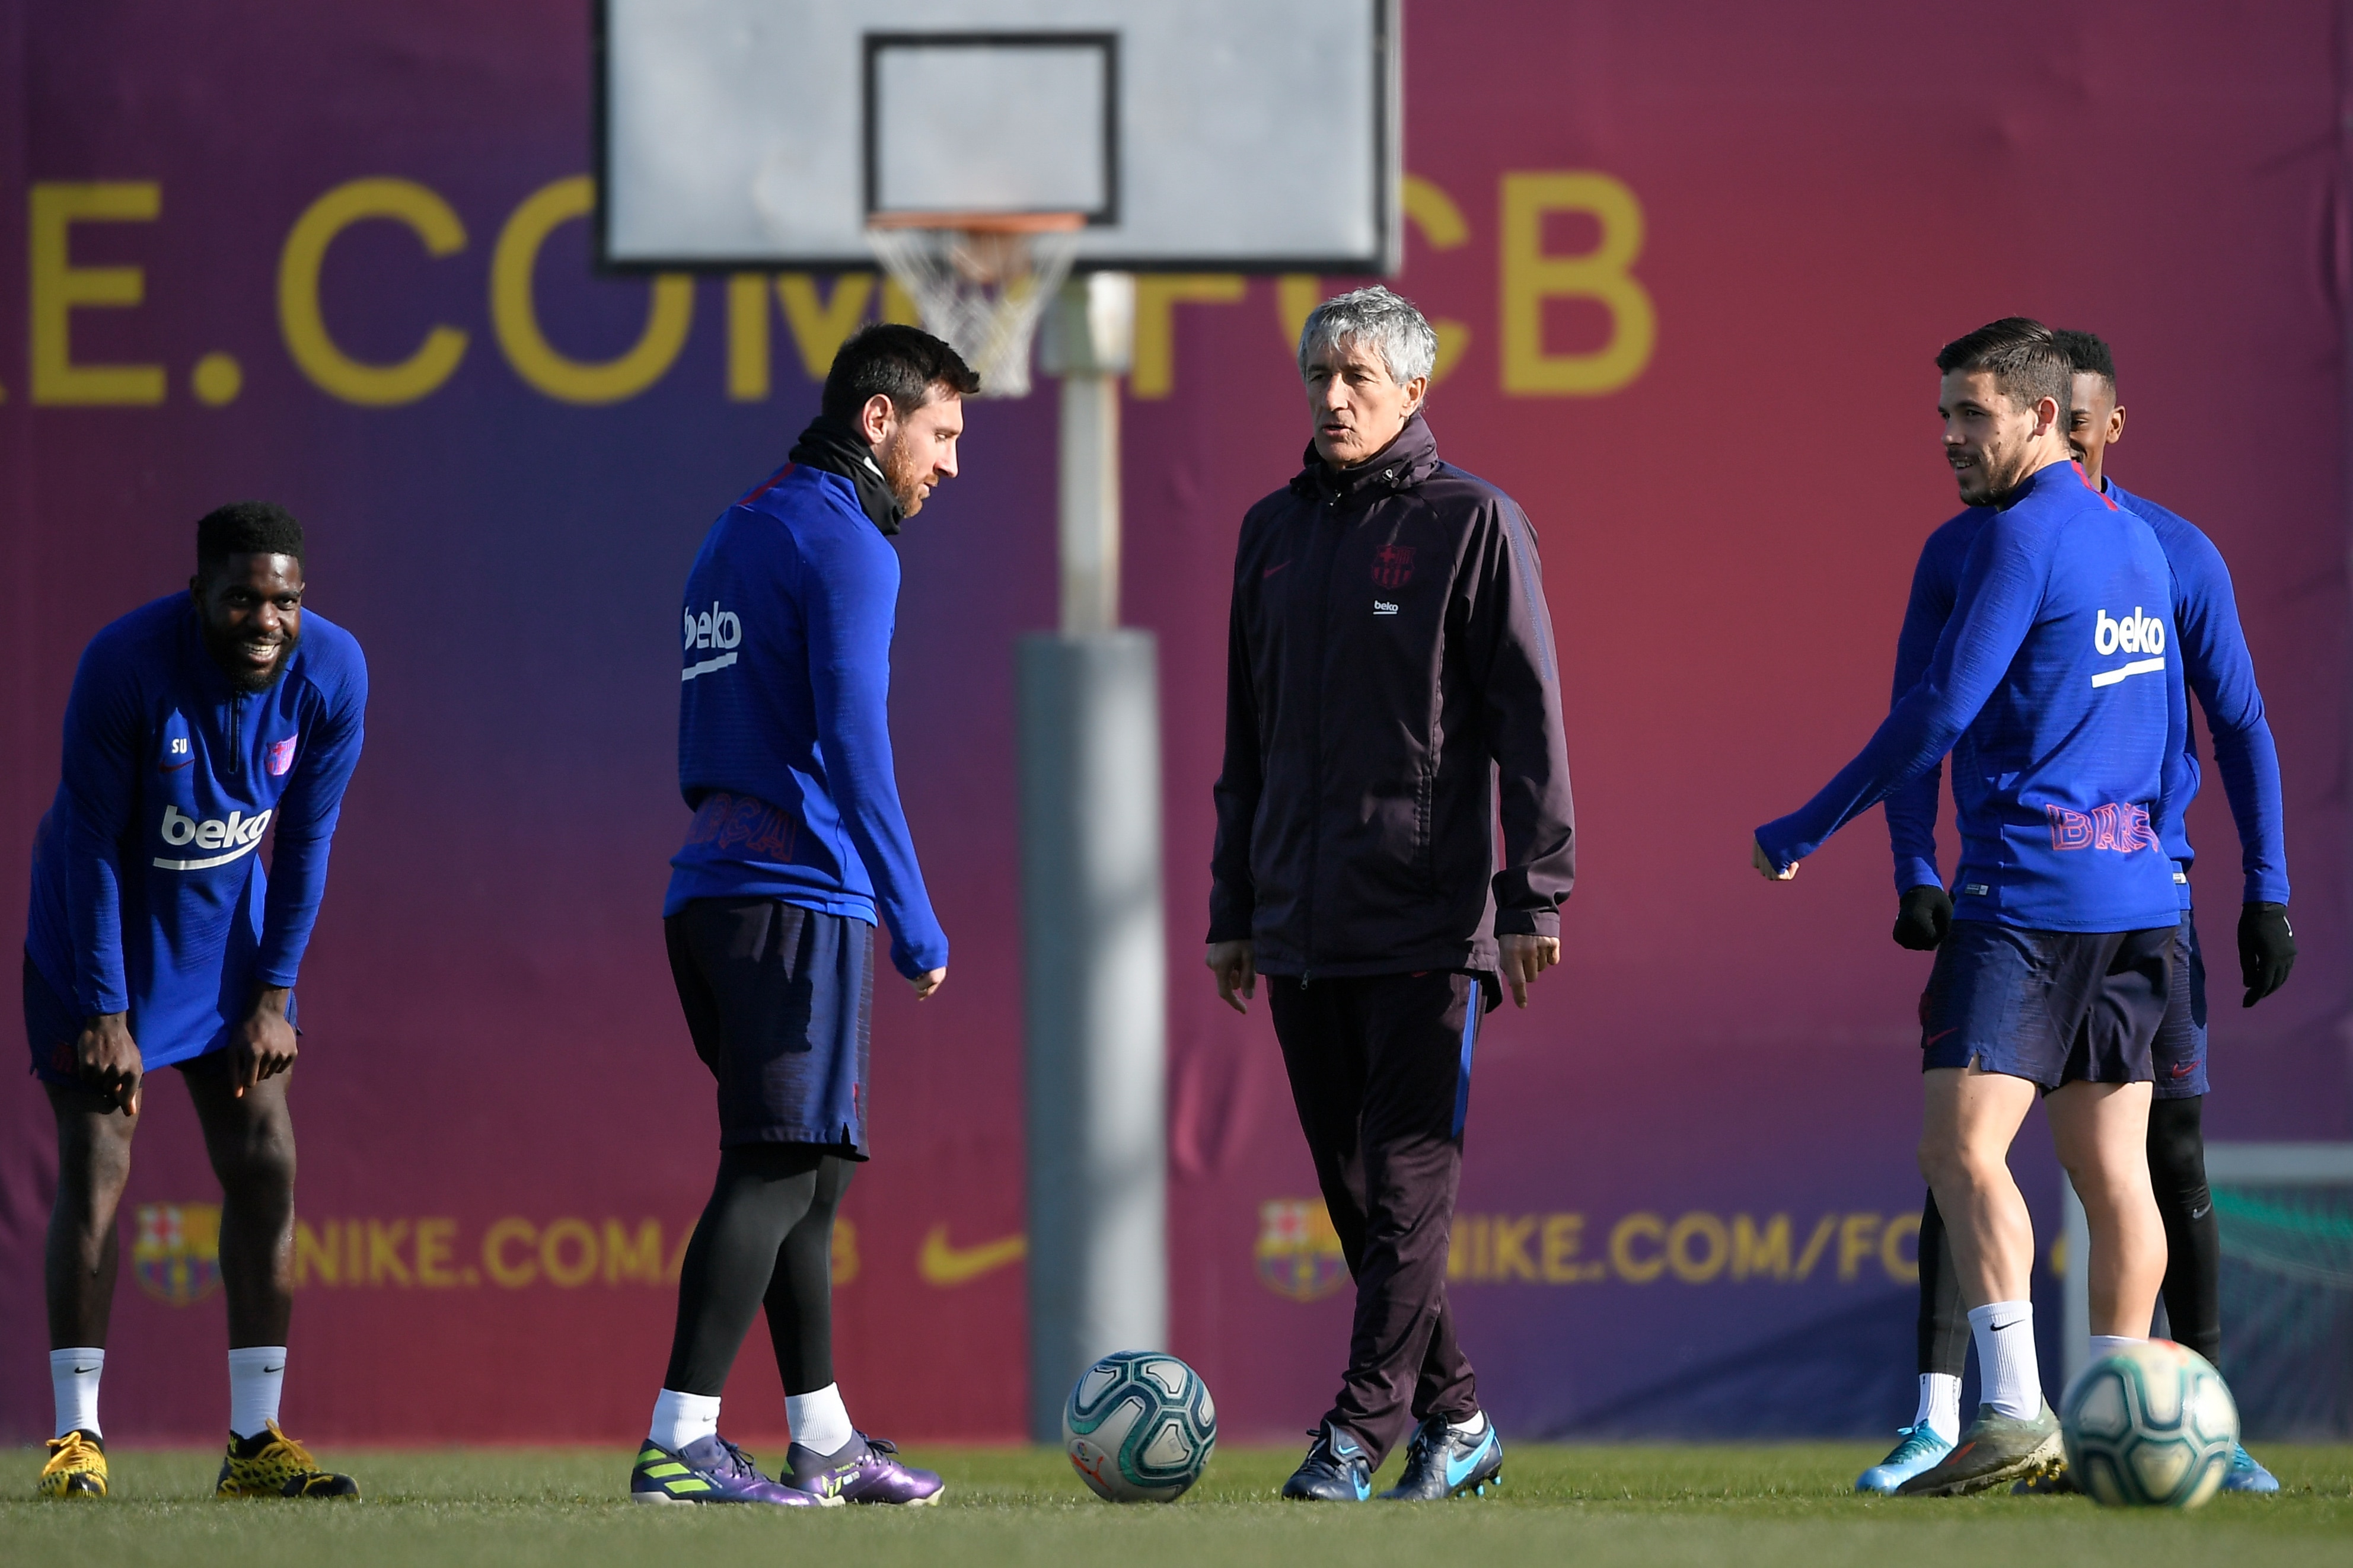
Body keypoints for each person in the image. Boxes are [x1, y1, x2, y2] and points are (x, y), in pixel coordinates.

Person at [1857, 329, 2293, 1496]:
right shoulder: (1968, 549)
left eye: (2090, 424)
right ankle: (1942, 1413)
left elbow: (2238, 723)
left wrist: (2267, 886)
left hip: (2139, 896)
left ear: (2094, 425)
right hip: (2029, 889)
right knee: (1970, 1150)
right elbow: (1921, 714)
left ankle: (2158, 1414)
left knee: (2145, 1154)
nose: (2077, 443)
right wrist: (1913, 862)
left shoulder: (2170, 550)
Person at [1753, 318, 2182, 1496]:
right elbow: (2170, 737)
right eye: (1943, 414)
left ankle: (2010, 1412)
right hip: (2140, 900)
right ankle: (2118, 1425)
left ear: (2044, 416)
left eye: (1972, 414)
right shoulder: (2136, 539)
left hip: (2028, 900)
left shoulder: (2016, 538)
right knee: (2115, 1173)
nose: (1948, 436)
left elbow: (1938, 711)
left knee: (1958, 1146)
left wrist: (1806, 826)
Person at [1207, 285, 1575, 1503]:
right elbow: (1246, 738)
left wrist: (1532, 895)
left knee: (1409, 1192)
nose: (1333, 397)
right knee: (1362, 1203)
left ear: (1414, 390)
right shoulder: (1269, 532)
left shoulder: (1475, 522)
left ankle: (1356, 1436)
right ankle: (1457, 1419)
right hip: (1296, 925)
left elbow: (1529, 724)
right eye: (1319, 374)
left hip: (1425, 920)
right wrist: (1232, 907)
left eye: (1358, 376)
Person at [629, 324, 968, 1508]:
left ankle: (824, 1440)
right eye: (941, 433)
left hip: (713, 891)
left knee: (809, 1178)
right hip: (792, 899)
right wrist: (913, 915)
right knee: (776, 1170)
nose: (950, 462)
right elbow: (856, 744)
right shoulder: (847, 544)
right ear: (878, 420)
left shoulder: (739, 528)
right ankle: (679, 1440)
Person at [27, 502, 368, 1501]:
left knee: (267, 1160)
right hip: (98, 939)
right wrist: (105, 1011)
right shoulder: (124, 665)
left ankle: (255, 1441)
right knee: (98, 1162)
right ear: (198, 595)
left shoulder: (333, 671)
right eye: (242, 599)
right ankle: (77, 1439)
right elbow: (90, 840)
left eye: (285, 601)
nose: (266, 620)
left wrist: (274, 996)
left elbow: (306, 841)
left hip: (225, 946)